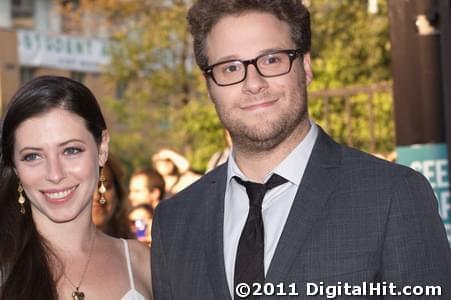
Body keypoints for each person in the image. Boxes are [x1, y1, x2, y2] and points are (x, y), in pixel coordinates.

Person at [151, 1, 451, 299]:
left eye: (271, 60)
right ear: (209, 85)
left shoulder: (392, 196)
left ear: (305, 67)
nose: (253, 83)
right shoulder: (175, 221)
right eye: (230, 67)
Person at [0, 76, 151, 300]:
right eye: (32, 156)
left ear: (102, 149)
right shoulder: (5, 265)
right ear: (14, 166)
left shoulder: (143, 263)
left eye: (71, 151)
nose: (55, 174)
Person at [92, 155, 134, 239]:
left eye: (105, 187)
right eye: (88, 187)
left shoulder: (136, 250)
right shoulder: (58, 250)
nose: (97, 196)